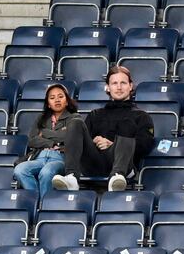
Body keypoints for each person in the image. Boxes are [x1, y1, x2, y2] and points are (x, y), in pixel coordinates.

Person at [50, 63, 154, 192]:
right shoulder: (95, 114)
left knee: (127, 122)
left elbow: (145, 146)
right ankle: (71, 177)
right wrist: (93, 141)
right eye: (114, 83)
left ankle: (117, 176)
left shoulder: (141, 116)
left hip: (124, 164)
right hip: (94, 163)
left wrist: (113, 144)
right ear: (108, 87)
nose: (119, 87)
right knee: (75, 122)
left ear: (130, 86)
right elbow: (80, 142)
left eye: (123, 83)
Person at [13, 82, 78, 199]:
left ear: (67, 101)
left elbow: (67, 137)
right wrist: (52, 142)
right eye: (52, 98)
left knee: (46, 172)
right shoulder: (41, 118)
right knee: (20, 170)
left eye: (60, 96)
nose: (57, 100)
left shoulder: (74, 118)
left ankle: (44, 206)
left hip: (61, 158)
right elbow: (32, 140)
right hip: (40, 157)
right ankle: (37, 201)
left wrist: (45, 134)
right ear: (48, 103)